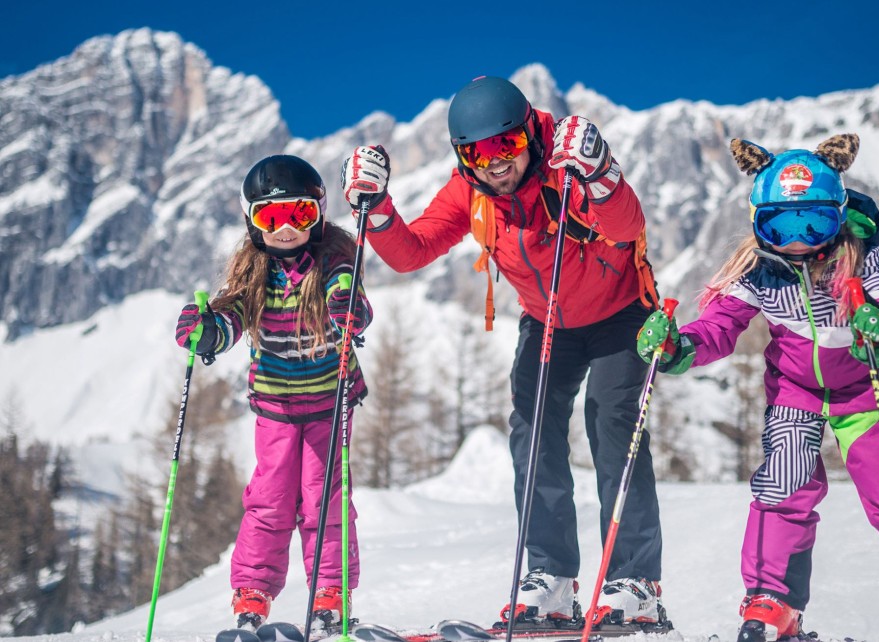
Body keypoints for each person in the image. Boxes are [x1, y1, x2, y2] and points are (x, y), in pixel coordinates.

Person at [339, 76, 669, 628]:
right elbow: (411, 252)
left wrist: (601, 171)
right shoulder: (470, 192)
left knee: (612, 424)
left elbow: (627, 225)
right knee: (532, 428)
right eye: (477, 153)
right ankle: (551, 579)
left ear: (527, 137)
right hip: (548, 322)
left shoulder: (566, 163)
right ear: (462, 156)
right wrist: (375, 209)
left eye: (506, 147)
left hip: (619, 312)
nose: (494, 164)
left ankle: (635, 583)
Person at [637, 134, 879, 642]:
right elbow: (718, 327)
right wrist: (679, 346)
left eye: (814, 223)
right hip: (795, 393)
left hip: (862, 393)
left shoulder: (859, 260)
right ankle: (772, 601)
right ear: (760, 224)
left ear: (837, 218)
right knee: (784, 482)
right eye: (779, 225)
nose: (798, 240)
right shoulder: (759, 271)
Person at [174, 155, 372, 634]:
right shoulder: (253, 273)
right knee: (270, 500)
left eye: (299, 214)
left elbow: (352, 299)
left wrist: (348, 308)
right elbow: (232, 318)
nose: (286, 229)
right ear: (252, 221)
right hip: (276, 411)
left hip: (328, 403)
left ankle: (330, 592)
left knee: (323, 498)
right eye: (271, 216)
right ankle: (253, 595)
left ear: (318, 215)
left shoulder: (333, 262)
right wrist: (207, 333)